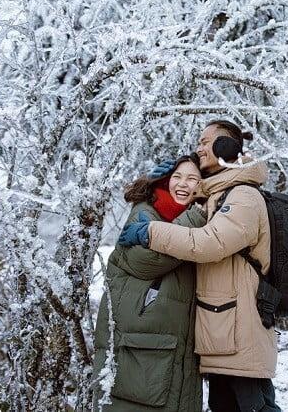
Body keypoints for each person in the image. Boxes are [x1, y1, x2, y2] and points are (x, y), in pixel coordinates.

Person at [119, 120, 281, 412]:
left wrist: (150, 232)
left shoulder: (243, 195)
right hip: (223, 334)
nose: (199, 147)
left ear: (226, 148)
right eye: (199, 142)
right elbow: (186, 204)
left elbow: (209, 242)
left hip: (240, 335)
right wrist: (158, 181)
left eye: (206, 142)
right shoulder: (220, 193)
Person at [92, 155, 206, 412]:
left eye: (192, 179)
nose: (183, 184)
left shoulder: (197, 225)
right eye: (176, 177)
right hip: (140, 354)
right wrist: (196, 217)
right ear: (165, 182)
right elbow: (148, 260)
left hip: (167, 353)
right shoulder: (145, 212)